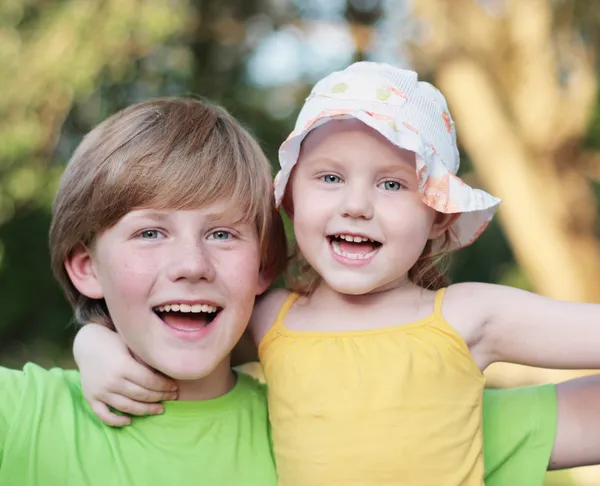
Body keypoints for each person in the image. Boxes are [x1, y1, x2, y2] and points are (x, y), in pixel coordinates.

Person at [74, 63, 600, 485]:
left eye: (392, 185)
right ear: (292, 197)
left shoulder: (469, 315)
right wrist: (93, 346)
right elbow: (173, 340)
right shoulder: (270, 318)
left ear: (437, 213)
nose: (356, 205)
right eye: (329, 177)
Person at [0, 97, 289, 485]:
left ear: (263, 266)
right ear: (88, 269)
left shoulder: (303, 428)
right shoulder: (19, 412)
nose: (192, 265)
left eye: (221, 234)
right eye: (150, 233)